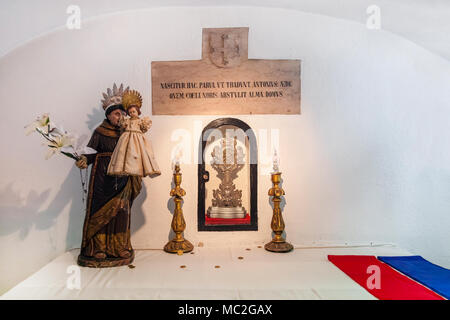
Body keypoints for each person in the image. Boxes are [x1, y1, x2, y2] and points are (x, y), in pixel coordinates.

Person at [75, 83, 142, 267]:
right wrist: (83, 160)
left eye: (122, 113)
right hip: (102, 180)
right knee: (101, 214)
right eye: (116, 114)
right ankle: (99, 249)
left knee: (121, 214)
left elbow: (138, 150)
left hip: (123, 179)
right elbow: (90, 151)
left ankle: (119, 247)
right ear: (109, 115)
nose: (120, 117)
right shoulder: (99, 132)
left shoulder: (128, 132)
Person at [107, 89, 161, 177]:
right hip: (126, 140)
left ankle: (138, 168)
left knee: (140, 155)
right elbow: (122, 126)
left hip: (137, 140)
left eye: (134, 112)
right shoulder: (126, 120)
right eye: (130, 112)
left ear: (138, 111)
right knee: (123, 154)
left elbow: (144, 128)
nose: (132, 113)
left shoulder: (141, 121)